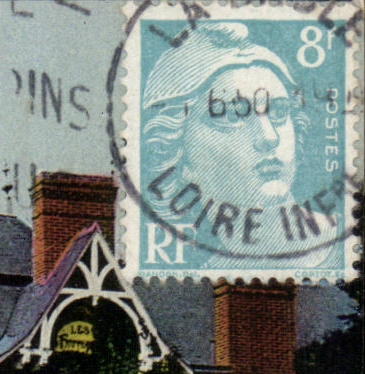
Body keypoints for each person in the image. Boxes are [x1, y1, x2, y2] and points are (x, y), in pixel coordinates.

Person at [141, 21, 338, 269]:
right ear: (178, 153)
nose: (269, 137)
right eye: (232, 116)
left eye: (279, 112)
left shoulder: (347, 246)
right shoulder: (213, 272)